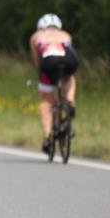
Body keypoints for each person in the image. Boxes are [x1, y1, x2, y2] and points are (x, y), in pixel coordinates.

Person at [30, 13, 79, 153]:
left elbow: (37, 61)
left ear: (40, 26)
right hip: (70, 60)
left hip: (49, 61)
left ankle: (46, 137)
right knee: (69, 78)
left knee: (46, 100)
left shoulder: (36, 36)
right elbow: (68, 51)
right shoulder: (65, 34)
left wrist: (43, 77)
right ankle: (70, 99)